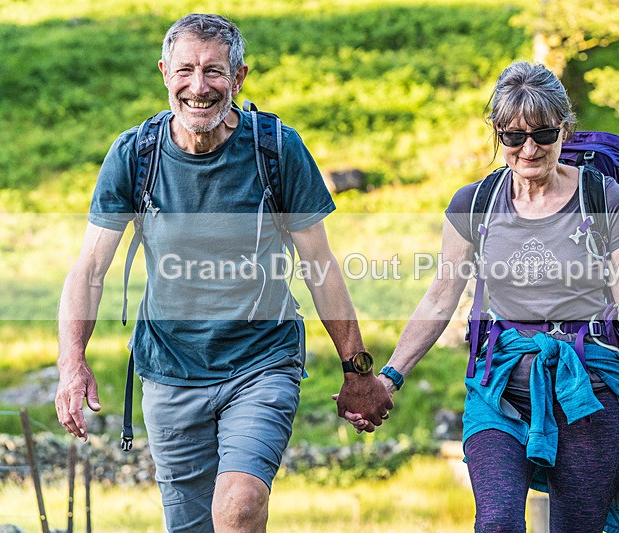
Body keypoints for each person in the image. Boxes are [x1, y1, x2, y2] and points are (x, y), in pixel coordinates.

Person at [55, 13, 392, 533]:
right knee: (192, 527)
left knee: (236, 510)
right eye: (185, 70)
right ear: (165, 73)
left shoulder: (276, 149)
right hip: (169, 371)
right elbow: (89, 270)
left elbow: (320, 267)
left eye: (214, 72)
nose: (198, 87)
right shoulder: (134, 155)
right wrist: (71, 363)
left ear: (239, 78)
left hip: (261, 363)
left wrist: (358, 369)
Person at [338, 61, 619, 532]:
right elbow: (440, 298)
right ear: (497, 134)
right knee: (498, 522)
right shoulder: (476, 203)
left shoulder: (603, 199)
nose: (529, 148)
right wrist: (388, 378)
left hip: (588, 392)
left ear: (564, 130)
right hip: (499, 390)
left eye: (543, 134)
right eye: (513, 136)